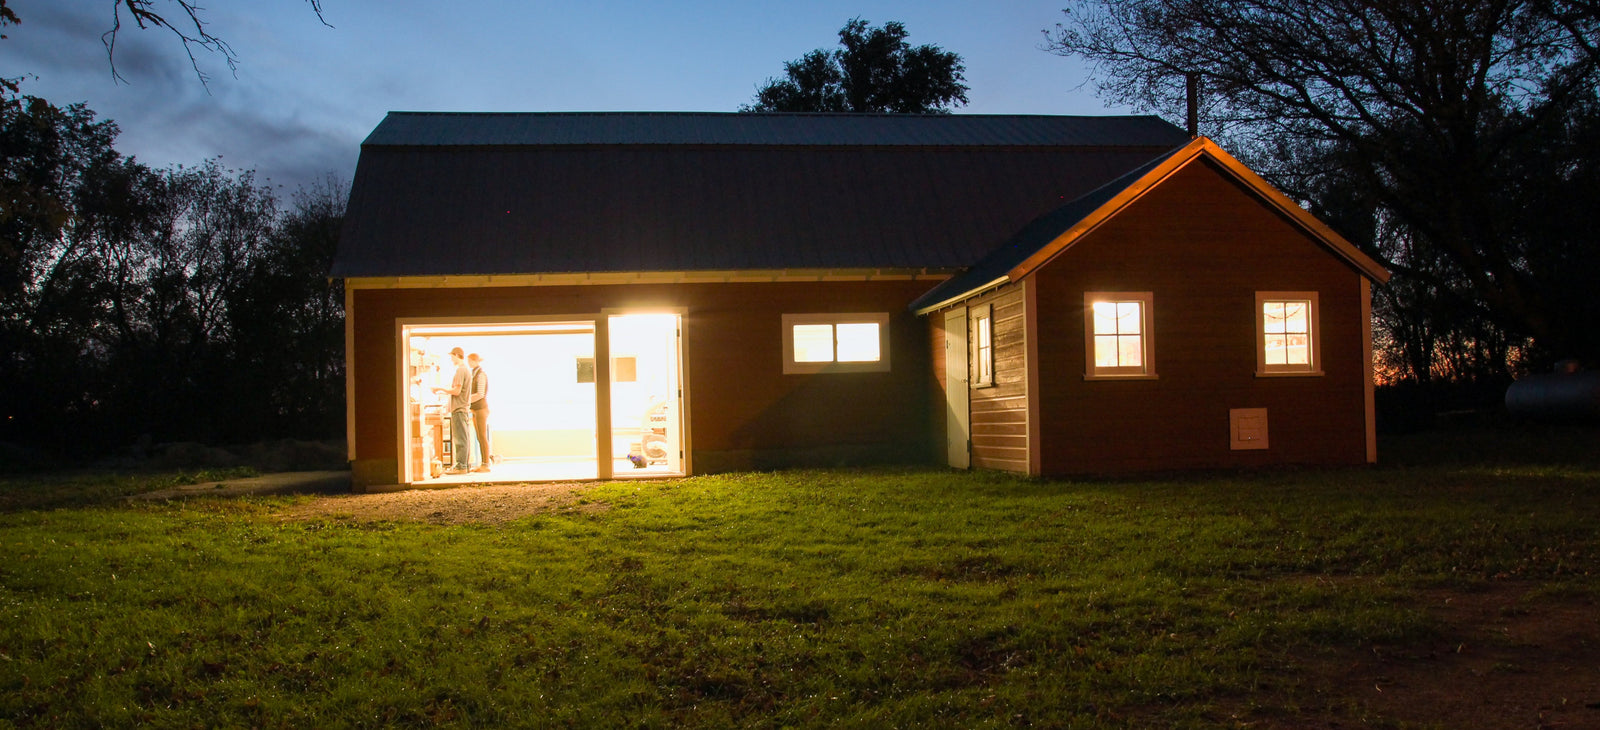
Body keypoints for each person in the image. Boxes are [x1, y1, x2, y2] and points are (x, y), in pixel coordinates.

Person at [430, 347, 472, 475]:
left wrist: (440, 389)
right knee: (464, 438)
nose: (451, 359)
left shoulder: (460, 370)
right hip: (463, 408)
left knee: (460, 439)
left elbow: (456, 391)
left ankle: (461, 466)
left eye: (452, 357)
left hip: (459, 409)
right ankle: (464, 465)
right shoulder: (466, 370)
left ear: (457, 355)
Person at [467, 352, 492, 473]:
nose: (468, 363)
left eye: (469, 361)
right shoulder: (474, 374)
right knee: (479, 436)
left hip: (481, 408)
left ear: (474, 361)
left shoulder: (481, 374)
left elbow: (480, 394)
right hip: (475, 409)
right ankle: (483, 463)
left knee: (482, 436)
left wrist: (466, 399)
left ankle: (486, 464)